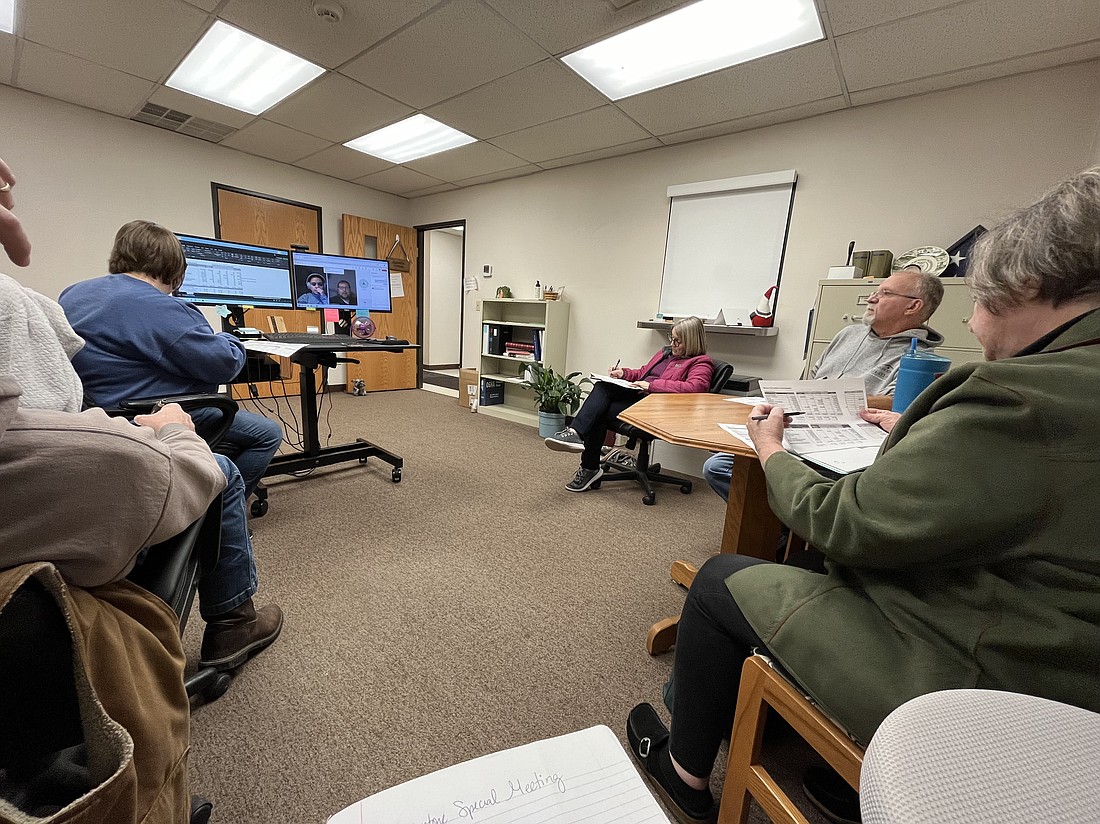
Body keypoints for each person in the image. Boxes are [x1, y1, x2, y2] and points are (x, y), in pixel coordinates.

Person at [625, 167, 1100, 824]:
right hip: (1065, 651)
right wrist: (916, 432)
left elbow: (845, 523)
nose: (974, 318)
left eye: (984, 299)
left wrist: (772, 450)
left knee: (720, 580)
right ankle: (797, 725)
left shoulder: (1014, 395)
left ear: (1030, 286)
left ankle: (685, 773)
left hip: (997, 676)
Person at [58, 220, 283, 499]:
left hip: (96, 413)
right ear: (174, 267)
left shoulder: (74, 294)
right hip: (150, 412)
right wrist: (232, 338)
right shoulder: (162, 307)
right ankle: (215, 511)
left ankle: (190, 478)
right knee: (267, 434)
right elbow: (225, 363)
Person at [702, 268, 945, 501]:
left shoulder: (920, 360)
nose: (872, 298)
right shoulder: (848, 334)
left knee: (735, 468)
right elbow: (813, 378)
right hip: (803, 430)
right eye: (876, 290)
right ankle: (783, 530)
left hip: (845, 449)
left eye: (885, 293)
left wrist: (823, 398)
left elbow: (894, 407)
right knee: (719, 464)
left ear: (913, 306)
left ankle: (789, 531)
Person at [544, 316, 714, 492]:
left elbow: (695, 388)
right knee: (603, 386)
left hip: (655, 407)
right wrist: (623, 374)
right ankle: (575, 434)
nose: (673, 344)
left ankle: (589, 466)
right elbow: (643, 372)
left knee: (600, 412)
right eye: (672, 338)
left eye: (678, 341)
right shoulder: (665, 353)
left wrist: (652, 385)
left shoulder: (701, 363)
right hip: (638, 396)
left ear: (692, 341)